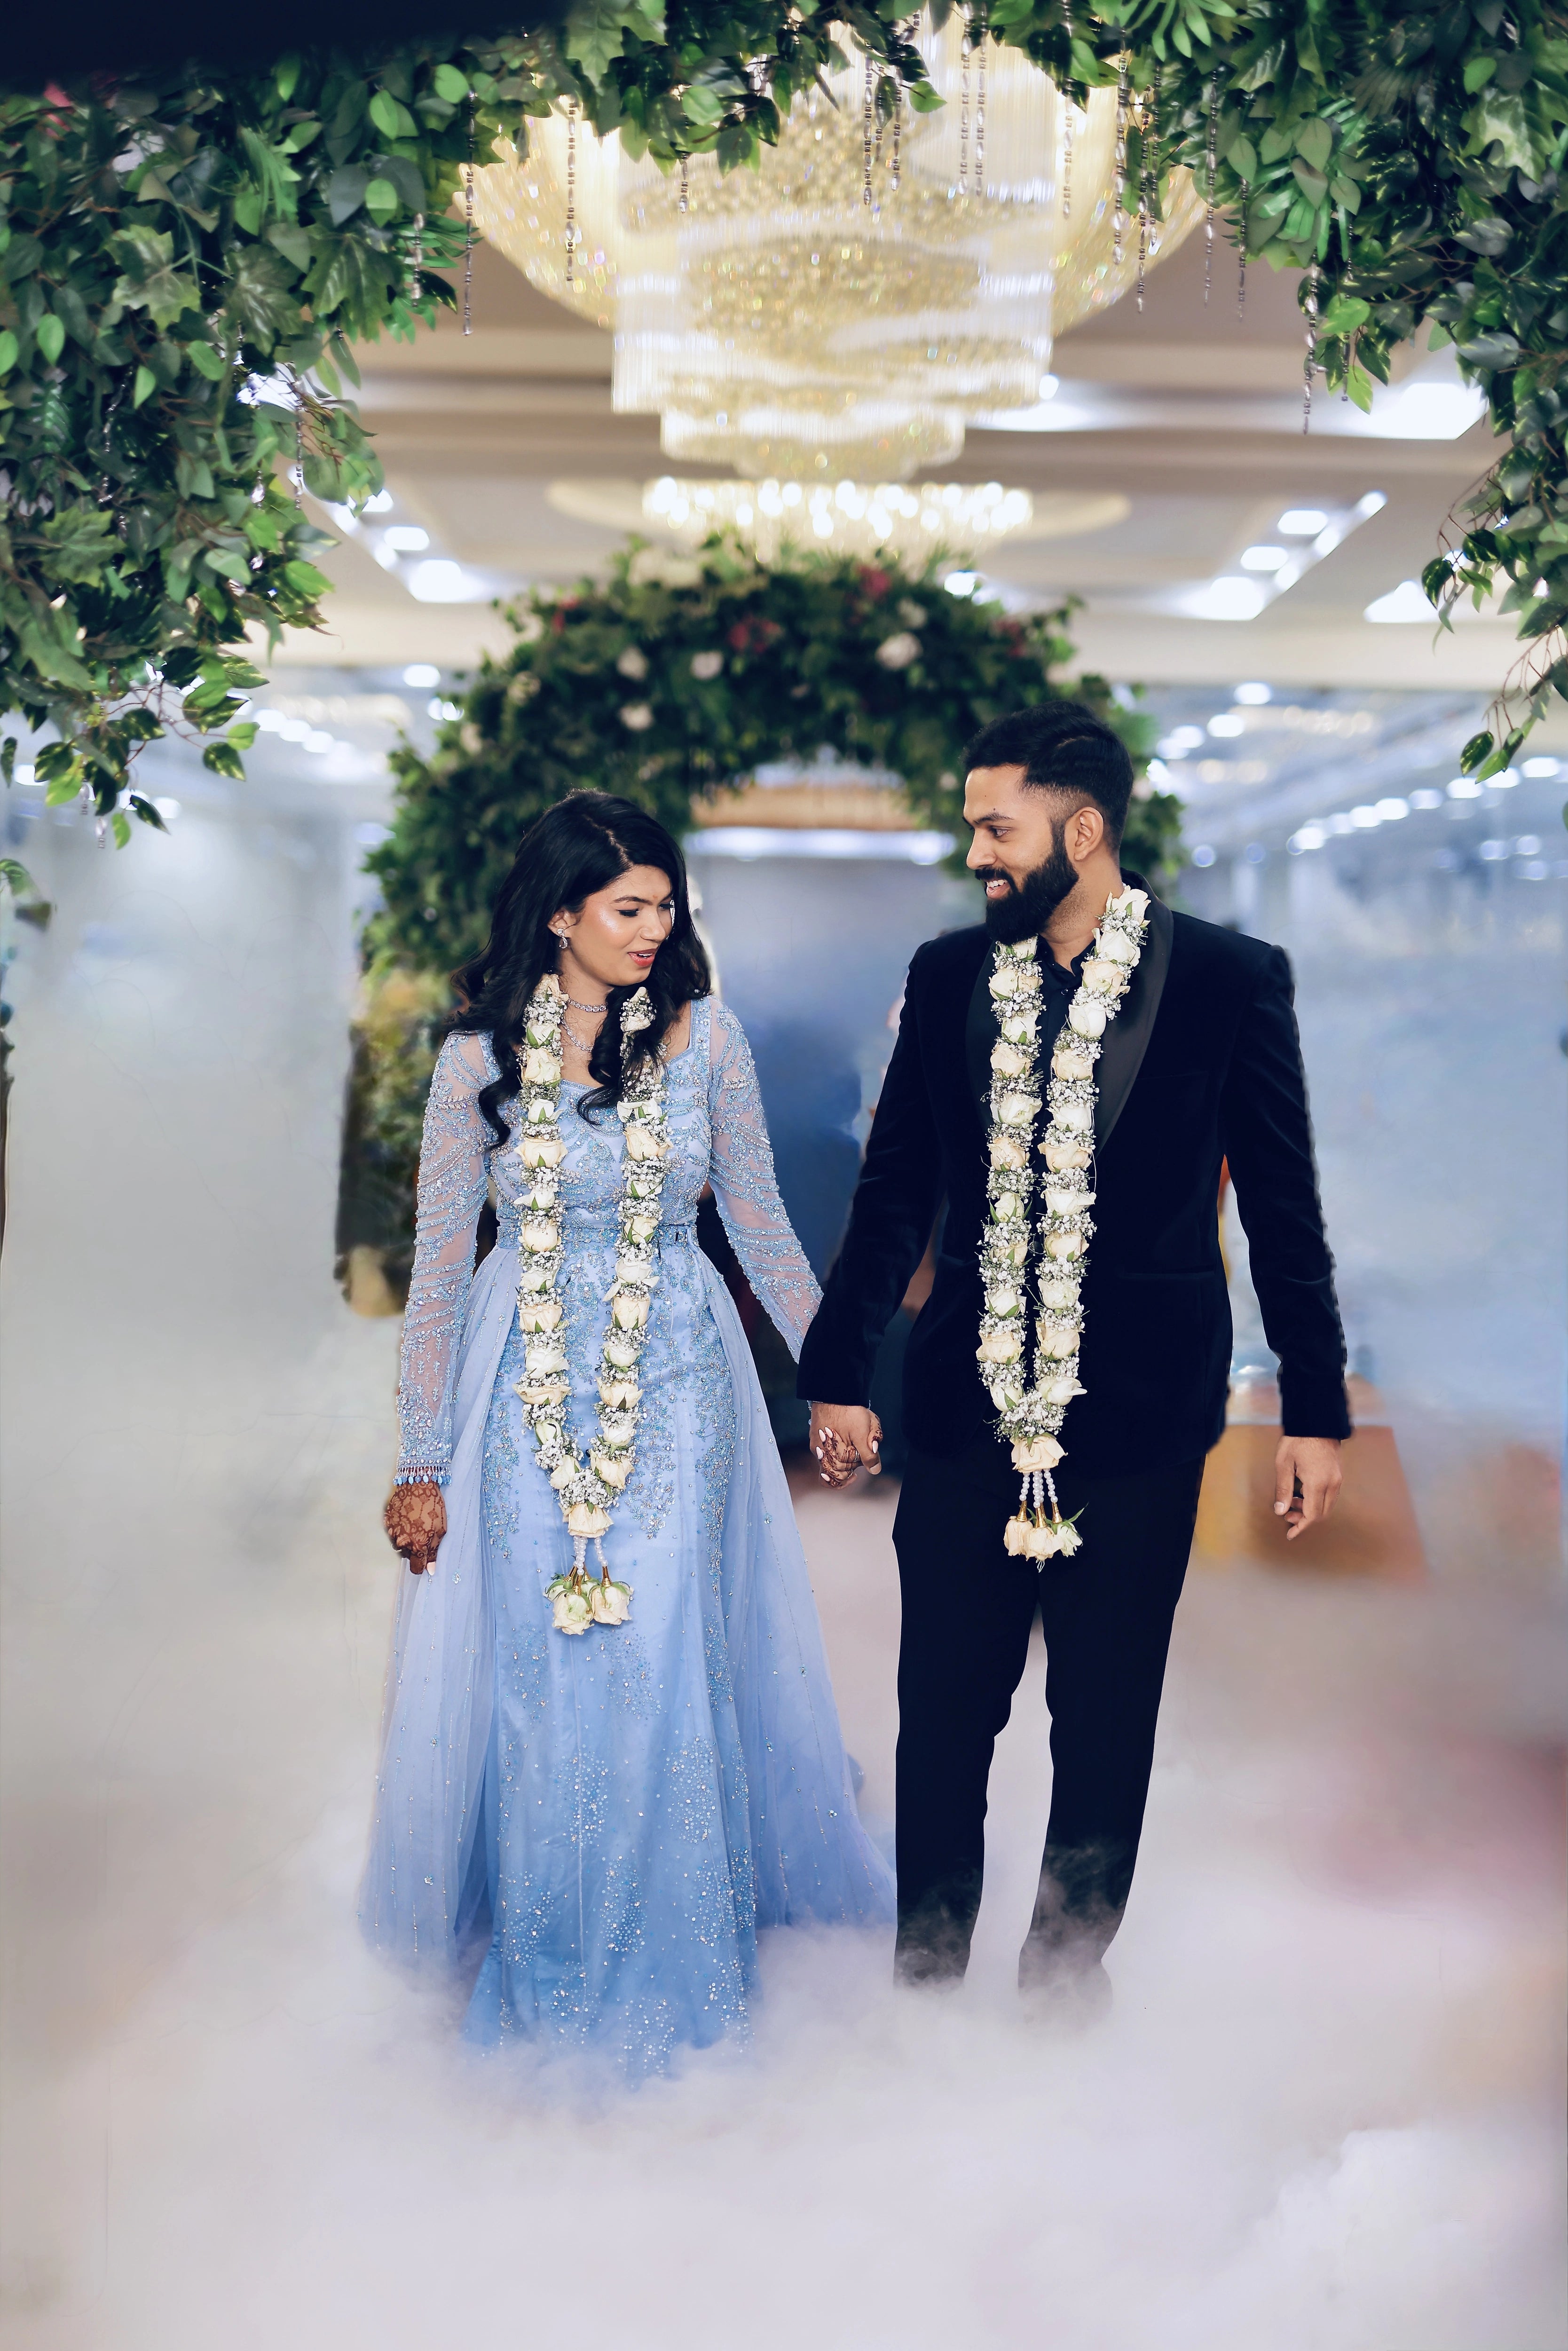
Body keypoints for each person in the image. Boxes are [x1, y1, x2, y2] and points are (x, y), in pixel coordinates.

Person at [798, 702, 1348, 2009]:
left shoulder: (1229, 977)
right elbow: (893, 1197)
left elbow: (1284, 1205)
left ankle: (1061, 1990)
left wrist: (1313, 1410)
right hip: (960, 1416)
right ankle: (924, 1981)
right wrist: (834, 1370)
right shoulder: (944, 979)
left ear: (1083, 830)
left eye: (999, 827)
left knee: (1104, 1730)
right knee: (941, 1719)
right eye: (975, 828)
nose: (979, 852)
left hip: (1145, 1417)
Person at [363, 791, 892, 2075]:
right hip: (517, 1385)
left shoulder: (708, 1041)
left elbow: (760, 1223)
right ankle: (550, 1962)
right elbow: (438, 1269)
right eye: (629, 908)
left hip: (682, 1378)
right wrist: (419, 1459)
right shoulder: (473, 1064)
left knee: (662, 1646)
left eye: (667, 906)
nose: (657, 928)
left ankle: (685, 1969)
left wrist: (838, 1378)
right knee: (548, 1662)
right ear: (561, 915)